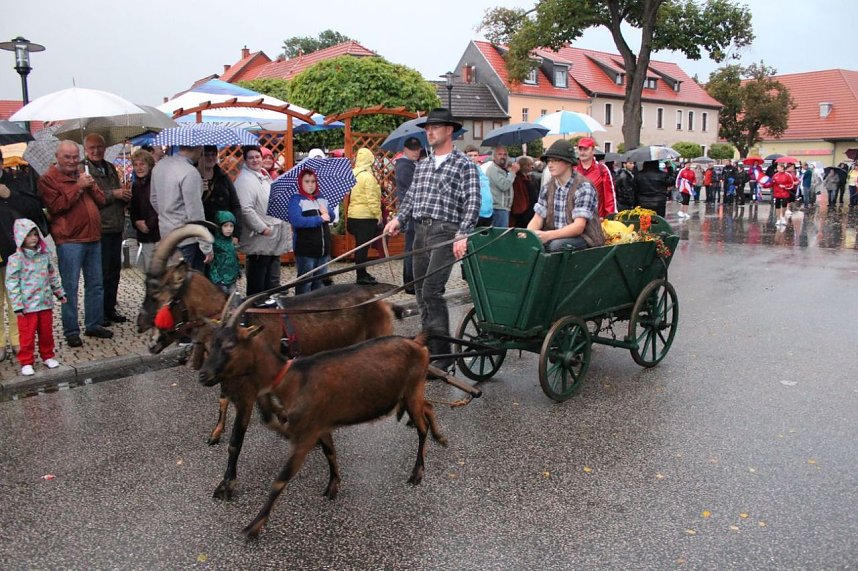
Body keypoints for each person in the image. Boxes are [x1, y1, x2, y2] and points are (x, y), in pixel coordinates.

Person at [383, 108, 480, 371]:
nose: (429, 131)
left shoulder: (464, 164)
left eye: (434, 127)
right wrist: (398, 220)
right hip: (420, 231)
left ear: (449, 130)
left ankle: (444, 358)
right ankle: (428, 349)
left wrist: (462, 234)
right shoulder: (423, 164)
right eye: (427, 128)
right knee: (421, 294)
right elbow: (411, 198)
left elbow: (472, 202)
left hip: (445, 231)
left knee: (431, 291)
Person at [38, 140, 113, 346]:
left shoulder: (82, 172)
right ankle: (71, 330)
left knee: (96, 284)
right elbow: (57, 206)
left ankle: (94, 324)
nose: (72, 161)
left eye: (75, 156)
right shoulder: (48, 179)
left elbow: (101, 201)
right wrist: (78, 187)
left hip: (93, 236)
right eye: (67, 157)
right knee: (69, 287)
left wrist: (90, 184)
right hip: (69, 239)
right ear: (57, 157)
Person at [4, 219, 67, 376]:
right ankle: (26, 361)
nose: (33, 238)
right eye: (29, 235)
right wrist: (17, 305)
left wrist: (59, 292)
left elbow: (52, 275)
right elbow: (12, 283)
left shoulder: (45, 255)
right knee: (27, 335)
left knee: (46, 333)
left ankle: (48, 355)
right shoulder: (16, 259)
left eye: (35, 235)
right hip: (27, 306)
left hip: (45, 302)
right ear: (21, 237)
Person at [83, 133, 130, 325]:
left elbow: (115, 192)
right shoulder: (84, 169)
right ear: (85, 149)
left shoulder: (109, 167)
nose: (96, 151)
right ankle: (98, 313)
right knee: (99, 274)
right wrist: (115, 194)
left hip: (115, 226)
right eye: (92, 147)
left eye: (99, 147)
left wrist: (125, 196)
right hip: (99, 228)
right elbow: (92, 197)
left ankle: (110, 308)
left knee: (114, 272)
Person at [527, 140, 604, 252]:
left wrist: (547, 235)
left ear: (568, 162)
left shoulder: (583, 187)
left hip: (585, 239)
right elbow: (537, 218)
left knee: (555, 246)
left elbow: (578, 227)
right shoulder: (547, 187)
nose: (550, 165)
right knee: (531, 244)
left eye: (555, 161)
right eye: (548, 161)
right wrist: (529, 235)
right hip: (555, 236)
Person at [235, 145, 290, 296]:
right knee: (257, 284)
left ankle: (267, 311)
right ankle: (256, 314)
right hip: (259, 239)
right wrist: (262, 228)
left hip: (269, 240)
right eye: (251, 157)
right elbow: (245, 209)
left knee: (269, 282)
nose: (255, 160)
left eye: (257, 157)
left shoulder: (262, 176)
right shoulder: (245, 180)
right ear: (245, 161)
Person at [150, 145, 212, 272]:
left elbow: (154, 199)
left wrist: (167, 215)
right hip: (186, 239)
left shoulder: (160, 166)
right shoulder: (190, 172)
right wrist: (206, 246)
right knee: (188, 286)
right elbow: (195, 214)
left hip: (166, 235)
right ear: (198, 148)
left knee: (171, 281)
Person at [288, 168, 331, 295]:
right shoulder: (296, 200)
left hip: (322, 249)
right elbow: (296, 221)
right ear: (300, 183)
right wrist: (319, 218)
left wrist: (327, 213)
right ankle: (301, 309)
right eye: (307, 181)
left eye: (313, 181)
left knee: (320, 282)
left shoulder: (320, 198)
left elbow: (331, 216)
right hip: (306, 250)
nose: (311, 184)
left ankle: (318, 309)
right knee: (305, 282)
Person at [347, 147, 383, 285]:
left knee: (359, 246)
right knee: (363, 248)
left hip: (353, 215)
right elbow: (372, 199)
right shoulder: (367, 177)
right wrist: (378, 215)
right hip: (365, 217)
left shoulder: (352, 173)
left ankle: (362, 272)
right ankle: (361, 275)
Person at [395, 137, 424, 294]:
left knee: (416, 247)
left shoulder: (412, 165)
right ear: (405, 149)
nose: (416, 151)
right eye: (413, 149)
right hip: (410, 213)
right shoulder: (405, 166)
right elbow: (413, 190)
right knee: (411, 248)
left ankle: (414, 281)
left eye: (418, 149)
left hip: (415, 213)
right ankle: (410, 282)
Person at [198, 146, 243, 243]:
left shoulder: (223, 177)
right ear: (199, 156)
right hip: (202, 231)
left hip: (223, 230)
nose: (210, 158)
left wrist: (236, 233)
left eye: (213, 154)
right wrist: (199, 191)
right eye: (206, 155)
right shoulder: (193, 176)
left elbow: (235, 205)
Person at [129, 149, 159, 273]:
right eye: (136, 165)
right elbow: (134, 208)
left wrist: (149, 224)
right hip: (144, 236)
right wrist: (136, 222)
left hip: (157, 233)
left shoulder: (156, 182)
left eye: (142, 164)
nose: (139, 168)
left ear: (149, 165)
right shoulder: (136, 185)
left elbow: (159, 207)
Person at [576, 137, 616, 218]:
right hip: (575, 220)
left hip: (596, 220)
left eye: (586, 149)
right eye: (580, 149)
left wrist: (610, 218)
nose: (582, 152)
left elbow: (609, 197)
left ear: (593, 150)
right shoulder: (572, 169)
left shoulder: (602, 169)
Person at [485, 145, 519, 227]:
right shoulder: (493, 169)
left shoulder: (502, 170)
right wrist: (513, 172)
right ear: (494, 156)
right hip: (498, 209)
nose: (502, 157)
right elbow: (504, 186)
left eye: (505, 154)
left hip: (504, 208)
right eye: (499, 154)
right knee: (501, 236)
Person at [209, 210, 241, 295]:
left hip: (232, 279)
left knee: (233, 301)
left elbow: (234, 258)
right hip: (221, 281)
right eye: (225, 226)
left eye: (231, 226)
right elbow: (212, 264)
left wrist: (238, 272)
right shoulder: (215, 243)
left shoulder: (231, 242)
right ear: (219, 227)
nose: (229, 229)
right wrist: (217, 280)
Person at [464, 145, 493, 227]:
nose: (473, 158)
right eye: (470, 155)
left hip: (488, 213)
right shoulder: (464, 171)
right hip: (474, 213)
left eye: (475, 155)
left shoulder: (481, 170)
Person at [761, 162, 796, 226]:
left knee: (784, 205)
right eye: (777, 167)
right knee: (777, 206)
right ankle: (778, 219)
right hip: (777, 193)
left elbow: (791, 184)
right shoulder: (775, 175)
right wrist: (764, 185)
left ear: (782, 168)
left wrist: (784, 186)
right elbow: (771, 183)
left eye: (778, 167)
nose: (777, 169)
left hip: (785, 193)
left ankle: (782, 216)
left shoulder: (788, 175)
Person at [511, 156, 536, 227]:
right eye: (529, 165)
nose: (531, 167)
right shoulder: (518, 178)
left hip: (530, 208)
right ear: (523, 166)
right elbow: (519, 195)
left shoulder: (529, 177)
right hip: (523, 210)